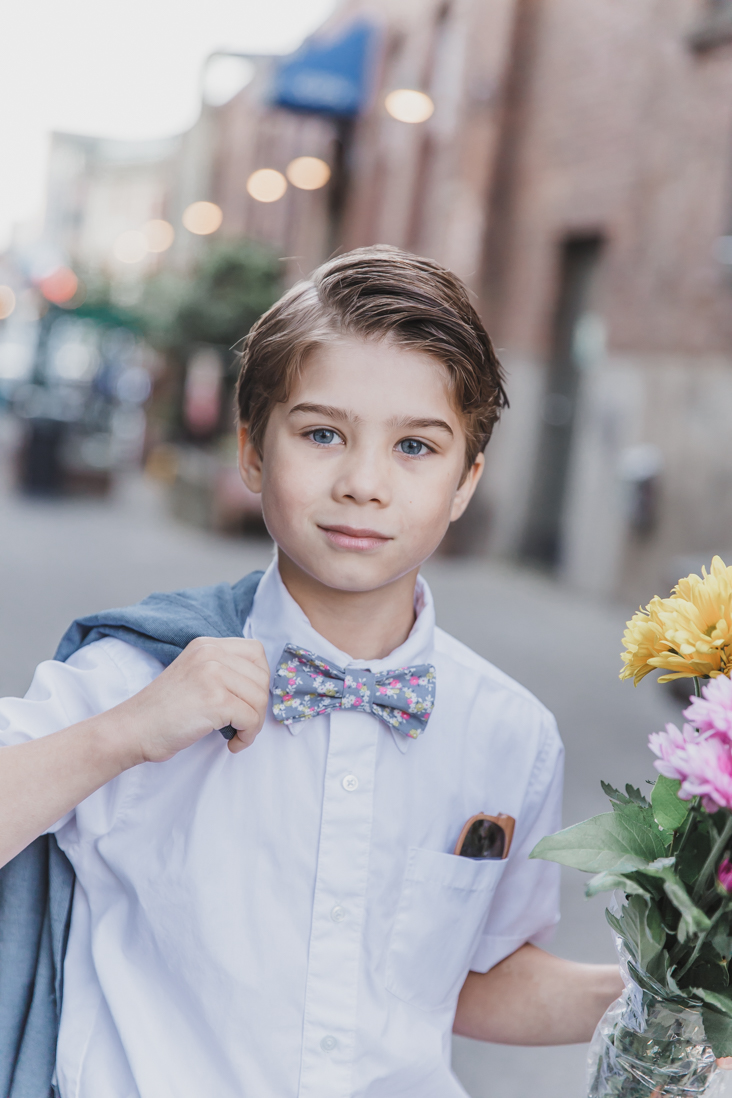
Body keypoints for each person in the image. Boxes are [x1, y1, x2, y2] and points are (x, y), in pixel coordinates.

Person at [0, 247, 622, 1098]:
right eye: (323, 434)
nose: (364, 483)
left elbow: (465, 979)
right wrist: (126, 735)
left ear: (466, 482)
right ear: (253, 453)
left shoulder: (510, 735)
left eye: (415, 446)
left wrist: (667, 993)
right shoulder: (132, 676)